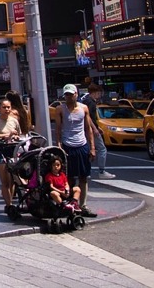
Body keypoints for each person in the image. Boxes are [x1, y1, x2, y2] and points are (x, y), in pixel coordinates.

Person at [55, 84, 97, 218]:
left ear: (76, 94)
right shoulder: (60, 109)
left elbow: (88, 128)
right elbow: (58, 129)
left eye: (70, 94)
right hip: (68, 146)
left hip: (82, 145)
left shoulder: (83, 108)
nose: (68, 97)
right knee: (69, 178)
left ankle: (83, 205)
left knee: (83, 177)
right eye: (66, 94)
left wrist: (92, 147)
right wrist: (59, 145)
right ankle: (71, 203)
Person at [0, 98, 23, 214]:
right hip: (0, 150)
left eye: (8, 107)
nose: (7, 109)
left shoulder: (14, 120)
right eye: (4, 107)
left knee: (12, 180)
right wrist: (7, 135)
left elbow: (19, 134)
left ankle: (10, 203)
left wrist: (16, 137)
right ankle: (9, 204)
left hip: (13, 150)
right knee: (5, 181)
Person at [81, 83, 115, 179]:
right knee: (102, 149)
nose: (100, 96)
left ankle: (86, 171)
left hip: (86, 129)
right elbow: (88, 118)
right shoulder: (91, 102)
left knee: (87, 150)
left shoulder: (85, 100)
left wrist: (97, 127)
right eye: (99, 93)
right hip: (90, 129)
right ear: (95, 93)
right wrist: (95, 128)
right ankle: (101, 171)